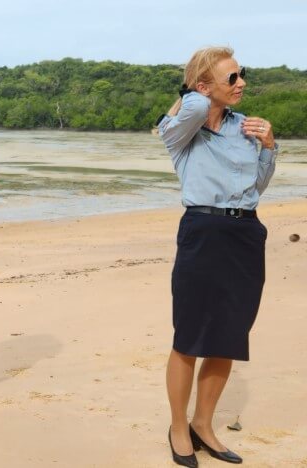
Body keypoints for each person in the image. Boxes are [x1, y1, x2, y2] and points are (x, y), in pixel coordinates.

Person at [157, 47, 277, 467]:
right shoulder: (179, 129)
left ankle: (203, 424)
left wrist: (269, 146)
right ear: (203, 87)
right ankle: (178, 428)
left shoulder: (246, 127)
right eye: (232, 78)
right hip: (201, 232)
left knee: (228, 335)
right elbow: (190, 105)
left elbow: (257, 186)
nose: (242, 82)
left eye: (242, 73)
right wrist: (198, 87)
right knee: (189, 337)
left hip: (244, 233)